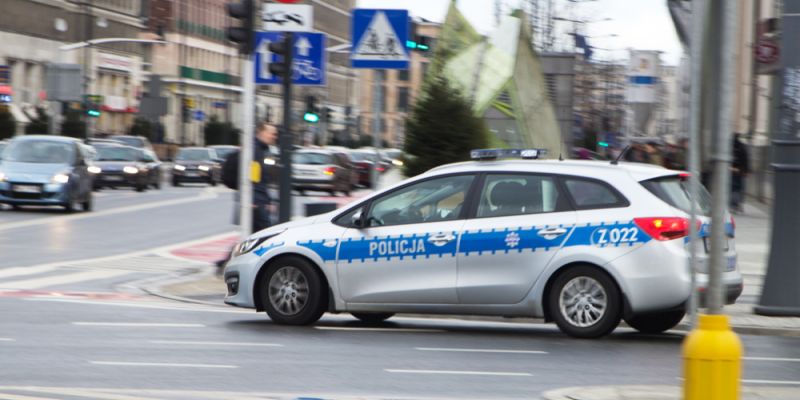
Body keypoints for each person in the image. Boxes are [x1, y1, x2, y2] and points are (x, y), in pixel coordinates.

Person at [216, 123, 278, 268]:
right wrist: (256, 200)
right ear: (261, 133)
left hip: (255, 199)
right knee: (265, 234)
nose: (274, 136)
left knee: (251, 236)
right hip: (254, 202)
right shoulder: (254, 151)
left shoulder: (259, 149)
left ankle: (227, 262)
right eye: (271, 133)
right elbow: (254, 179)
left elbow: (259, 178)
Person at [730, 134, 750, 214]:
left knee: (733, 188)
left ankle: (734, 205)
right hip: (740, 171)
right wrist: (746, 171)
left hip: (733, 170)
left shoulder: (731, 146)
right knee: (738, 189)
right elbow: (746, 159)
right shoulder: (742, 147)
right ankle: (737, 205)